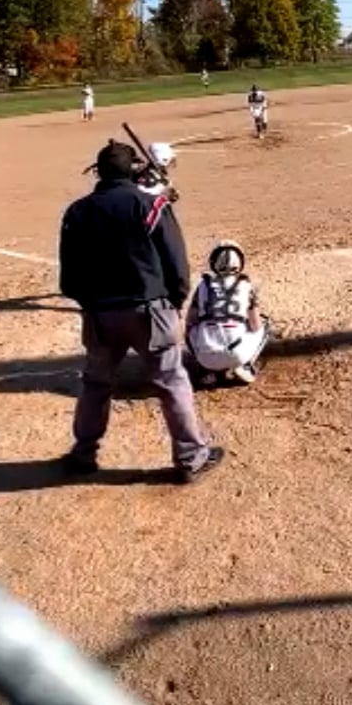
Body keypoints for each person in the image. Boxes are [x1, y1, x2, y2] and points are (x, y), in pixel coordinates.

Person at [59, 141, 223, 483]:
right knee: (171, 382)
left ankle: (83, 453)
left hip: (100, 315)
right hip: (150, 310)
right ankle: (190, 458)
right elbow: (176, 263)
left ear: (98, 172)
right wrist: (175, 302)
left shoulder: (77, 212)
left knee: (96, 384)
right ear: (133, 170)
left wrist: (92, 305)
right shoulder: (152, 205)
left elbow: (69, 280)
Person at [186, 241, 270, 387]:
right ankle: (245, 366)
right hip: (237, 354)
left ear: (213, 261)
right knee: (264, 326)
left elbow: (191, 320)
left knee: (190, 329)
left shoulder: (203, 285)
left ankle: (206, 371)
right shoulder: (246, 285)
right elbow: (256, 325)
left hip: (207, 356)